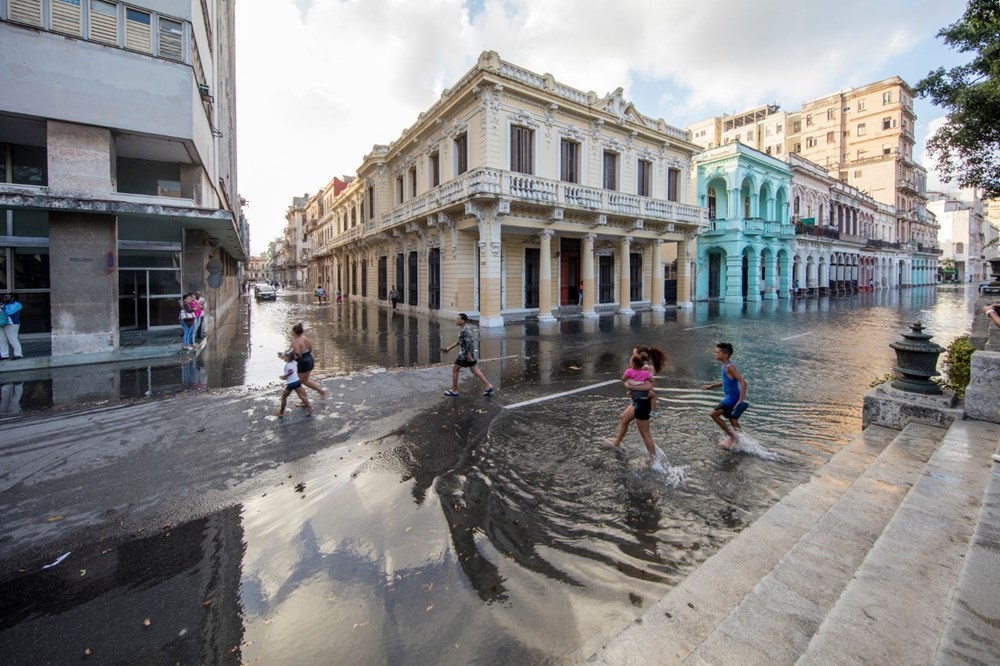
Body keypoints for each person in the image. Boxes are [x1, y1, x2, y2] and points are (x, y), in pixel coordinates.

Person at [605, 345, 667, 459]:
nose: (632, 356)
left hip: (643, 403)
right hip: (637, 402)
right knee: (624, 418)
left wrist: (630, 386)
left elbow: (648, 386)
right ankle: (616, 443)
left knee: (645, 433)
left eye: (634, 354)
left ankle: (654, 460)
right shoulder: (637, 369)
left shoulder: (646, 368)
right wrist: (629, 385)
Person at [701, 342, 749, 448]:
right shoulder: (725, 366)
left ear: (725, 354)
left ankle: (732, 437)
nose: (715, 354)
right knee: (732, 419)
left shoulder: (730, 367)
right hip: (731, 397)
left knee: (713, 414)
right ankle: (741, 441)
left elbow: (743, 382)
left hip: (732, 398)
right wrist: (711, 386)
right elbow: (726, 381)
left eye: (717, 352)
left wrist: (740, 401)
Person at [441, 313, 495, 396]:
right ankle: (488, 386)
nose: (456, 320)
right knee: (474, 370)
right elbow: (460, 342)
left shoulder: (466, 330)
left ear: (463, 321)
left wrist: (469, 355)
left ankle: (454, 390)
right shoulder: (463, 329)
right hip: (466, 354)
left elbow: (469, 343)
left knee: (455, 370)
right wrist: (449, 348)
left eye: (458, 319)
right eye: (457, 319)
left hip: (464, 355)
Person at [290, 322, 327, 400]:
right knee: (305, 380)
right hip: (310, 359)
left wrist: (292, 358)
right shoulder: (305, 338)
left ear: (294, 332)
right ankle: (321, 391)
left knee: (297, 383)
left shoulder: (295, 342)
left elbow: (297, 353)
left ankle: (304, 400)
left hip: (302, 362)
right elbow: (310, 348)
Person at [276, 350, 312, 417]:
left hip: (291, 383)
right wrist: (282, 354)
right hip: (297, 381)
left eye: (284, 357)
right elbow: (293, 356)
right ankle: (310, 407)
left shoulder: (288, 365)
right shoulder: (294, 362)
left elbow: (291, 372)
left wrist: (284, 377)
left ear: (288, 357)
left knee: (284, 397)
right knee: (301, 396)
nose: (283, 358)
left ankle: (281, 413)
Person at [0, 294, 23, 359]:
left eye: (7, 297)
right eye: (4, 296)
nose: (4, 298)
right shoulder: (2, 304)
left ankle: (18, 354)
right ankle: (4, 355)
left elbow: (10, 312)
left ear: (13, 298)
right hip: (1, 323)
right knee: (2, 340)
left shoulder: (17, 304)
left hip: (12, 324)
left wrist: (3, 309)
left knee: (12, 339)